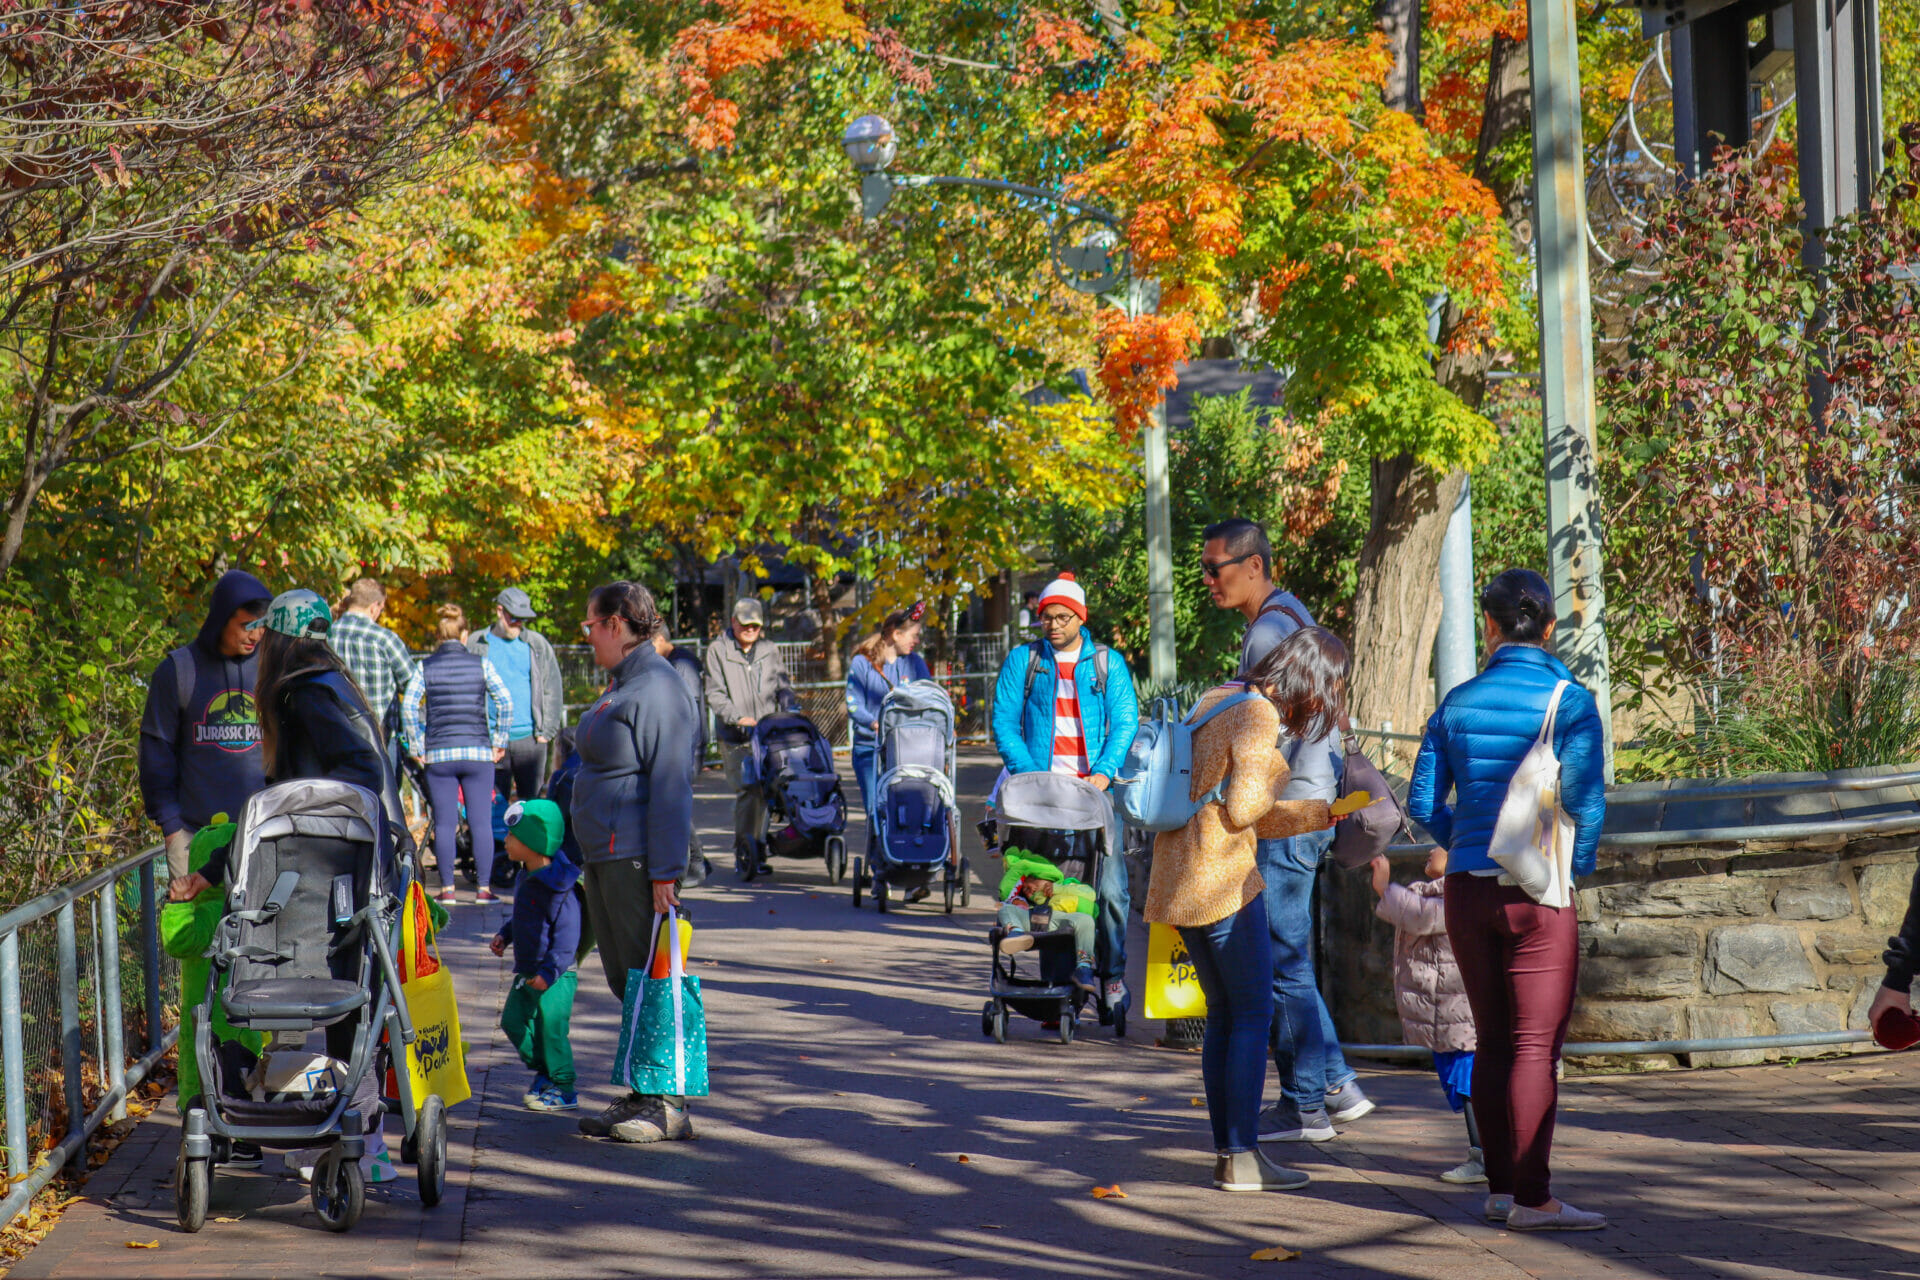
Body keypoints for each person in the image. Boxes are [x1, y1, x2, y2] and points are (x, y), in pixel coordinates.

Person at [1408, 567, 1608, 1232]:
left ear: (1488, 627)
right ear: (1549, 628)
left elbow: (1420, 803)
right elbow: (1584, 803)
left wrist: (1464, 842)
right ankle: (1534, 1198)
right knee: (1533, 1047)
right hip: (1537, 893)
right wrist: (1567, 872)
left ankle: (1499, 1190)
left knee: (1491, 1041)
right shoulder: (1571, 700)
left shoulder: (1455, 704)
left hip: (1465, 890)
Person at [1141, 635, 1335, 1193]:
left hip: (1181, 877)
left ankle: (1231, 1155)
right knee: (1251, 1015)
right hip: (1222, 883)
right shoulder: (1257, 714)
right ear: (1306, 681)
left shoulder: (1216, 697)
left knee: (1225, 1015)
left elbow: (1230, 811)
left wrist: (1320, 814)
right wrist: (1277, 762)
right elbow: (1249, 805)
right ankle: (1243, 1157)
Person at [1201, 516, 1373, 1139]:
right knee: (1289, 960)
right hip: (1313, 802)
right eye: (1203, 569)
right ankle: (1337, 1083)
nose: (1207, 582)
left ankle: (1305, 1103)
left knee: (1278, 965)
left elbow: (1258, 740)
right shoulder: (1291, 612)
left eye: (1214, 569)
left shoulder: (1266, 633)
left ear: (1253, 565)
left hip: (1287, 814)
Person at [571, 581, 699, 1144]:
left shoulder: (658, 689)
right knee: (631, 980)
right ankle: (645, 1092)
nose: (588, 636)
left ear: (617, 625)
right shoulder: (629, 683)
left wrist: (666, 872)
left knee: (652, 978)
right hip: (608, 858)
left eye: (591, 625)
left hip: (637, 861)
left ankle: (668, 1104)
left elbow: (672, 785)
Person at [990, 574, 1140, 1015]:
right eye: (1045, 618)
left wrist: (1104, 774)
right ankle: (1061, 985)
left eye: (1061, 617)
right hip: (1039, 801)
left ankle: (1111, 977)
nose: (1052, 625)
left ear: (1080, 618)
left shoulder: (1106, 663)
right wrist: (1031, 775)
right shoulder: (1025, 660)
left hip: (1093, 798)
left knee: (1111, 892)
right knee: (1048, 890)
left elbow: (1125, 720)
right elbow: (1003, 722)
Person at [139, 569, 273, 887]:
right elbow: (156, 755)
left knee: (258, 935)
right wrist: (172, 828)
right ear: (220, 620)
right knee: (194, 936)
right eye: (245, 626)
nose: (254, 635)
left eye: (261, 626)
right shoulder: (178, 671)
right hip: (193, 837)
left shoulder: (271, 668)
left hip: (262, 834)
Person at [1370, 847, 1484, 1185]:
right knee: (1461, 1082)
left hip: (1460, 1016)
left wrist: (1384, 888)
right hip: (1448, 1017)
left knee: (1468, 1085)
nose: (1431, 849)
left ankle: (1484, 1156)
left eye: (1441, 844)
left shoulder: (1460, 894)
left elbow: (1422, 915)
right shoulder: (1440, 892)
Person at [403, 604, 514, 904]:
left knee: (444, 823)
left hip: (439, 754)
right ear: (464, 634)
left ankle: (449, 889)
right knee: (480, 822)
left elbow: (408, 706)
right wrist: (499, 741)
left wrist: (417, 746)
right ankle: (484, 889)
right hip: (478, 752)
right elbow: (504, 701)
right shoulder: (482, 665)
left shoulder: (425, 667)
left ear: (439, 636)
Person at [489, 799, 582, 1113]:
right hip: (527, 970)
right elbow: (524, 917)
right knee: (513, 1023)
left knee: (551, 1030)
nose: (506, 841)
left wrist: (551, 972)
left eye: (512, 836)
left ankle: (564, 1087)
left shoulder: (559, 885)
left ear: (533, 842)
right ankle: (547, 1072)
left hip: (556, 975)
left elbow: (568, 936)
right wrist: (506, 933)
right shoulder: (525, 876)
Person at [467, 586, 566, 852]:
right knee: (494, 805)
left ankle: (530, 861)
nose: (518, 623)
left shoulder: (536, 644)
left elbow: (552, 687)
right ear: (499, 611)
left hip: (530, 740)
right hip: (491, 741)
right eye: (513, 617)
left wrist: (547, 730)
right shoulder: (477, 643)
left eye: (523, 618)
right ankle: (500, 859)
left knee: (530, 805)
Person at [704, 596, 797, 870]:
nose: (750, 631)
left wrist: (789, 703)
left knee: (768, 790)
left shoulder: (769, 649)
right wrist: (737, 718)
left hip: (768, 732)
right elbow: (715, 693)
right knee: (748, 791)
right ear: (733, 621)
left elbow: (782, 683)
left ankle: (757, 849)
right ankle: (744, 852)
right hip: (737, 737)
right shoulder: (718, 650)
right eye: (745, 625)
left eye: (755, 627)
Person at [844, 603, 932, 845]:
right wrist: (873, 722)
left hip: (907, 748)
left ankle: (906, 856)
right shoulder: (862, 663)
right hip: (870, 749)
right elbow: (853, 704)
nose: (916, 641)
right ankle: (880, 865)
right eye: (913, 636)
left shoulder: (915, 663)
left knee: (908, 808)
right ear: (896, 634)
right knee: (876, 809)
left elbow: (930, 695)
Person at [651, 619, 711, 884]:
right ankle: (695, 860)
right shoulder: (675, 663)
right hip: (682, 746)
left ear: (660, 640)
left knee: (675, 805)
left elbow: (686, 711)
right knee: (673, 804)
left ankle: (697, 861)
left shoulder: (682, 665)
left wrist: (682, 749)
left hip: (686, 747)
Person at [995, 847, 1099, 994]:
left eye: (1028, 886)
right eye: (1024, 890)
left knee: (1086, 920)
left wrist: (1057, 889)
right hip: (1038, 919)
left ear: (1040, 876)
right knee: (1005, 909)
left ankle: (1083, 967)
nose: (1026, 891)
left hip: (1063, 919)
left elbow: (1090, 894)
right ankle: (1016, 933)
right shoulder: (1033, 901)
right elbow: (1008, 896)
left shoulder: (1068, 885)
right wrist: (1018, 901)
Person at [330, 577, 415, 754]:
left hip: (336, 733)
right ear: (374, 606)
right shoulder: (384, 640)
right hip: (379, 737)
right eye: (381, 609)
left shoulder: (326, 637)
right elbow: (413, 685)